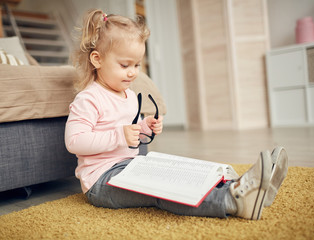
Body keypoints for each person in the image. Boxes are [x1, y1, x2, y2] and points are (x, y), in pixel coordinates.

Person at [65, 9, 288, 220]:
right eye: (125, 65)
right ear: (97, 60)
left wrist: (144, 127)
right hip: (101, 181)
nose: (133, 72)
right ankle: (231, 200)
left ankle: (243, 187)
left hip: (130, 166)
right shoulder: (89, 98)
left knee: (176, 172)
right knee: (160, 189)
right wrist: (119, 136)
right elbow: (74, 142)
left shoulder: (129, 95)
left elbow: (128, 128)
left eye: (137, 64)